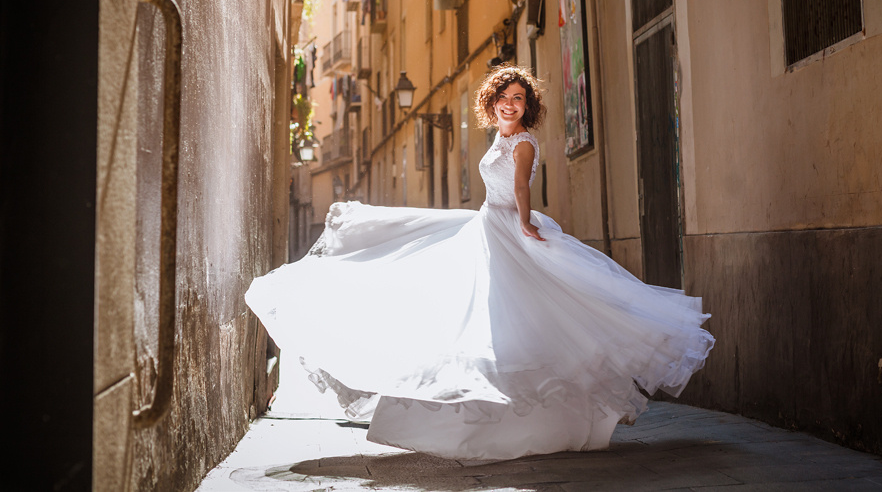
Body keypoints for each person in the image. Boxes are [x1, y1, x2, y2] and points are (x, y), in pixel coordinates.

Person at [245, 65, 714, 460]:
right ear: (493, 103)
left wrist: (527, 226)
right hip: (487, 226)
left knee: (527, 317)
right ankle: (494, 413)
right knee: (485, 316)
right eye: (505, 98)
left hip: (511, 228)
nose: (512, 105)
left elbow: (523, 187)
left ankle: (537, 413)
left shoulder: (524, 142)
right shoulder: (498, 136)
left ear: (528, 106)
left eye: (519, 99)